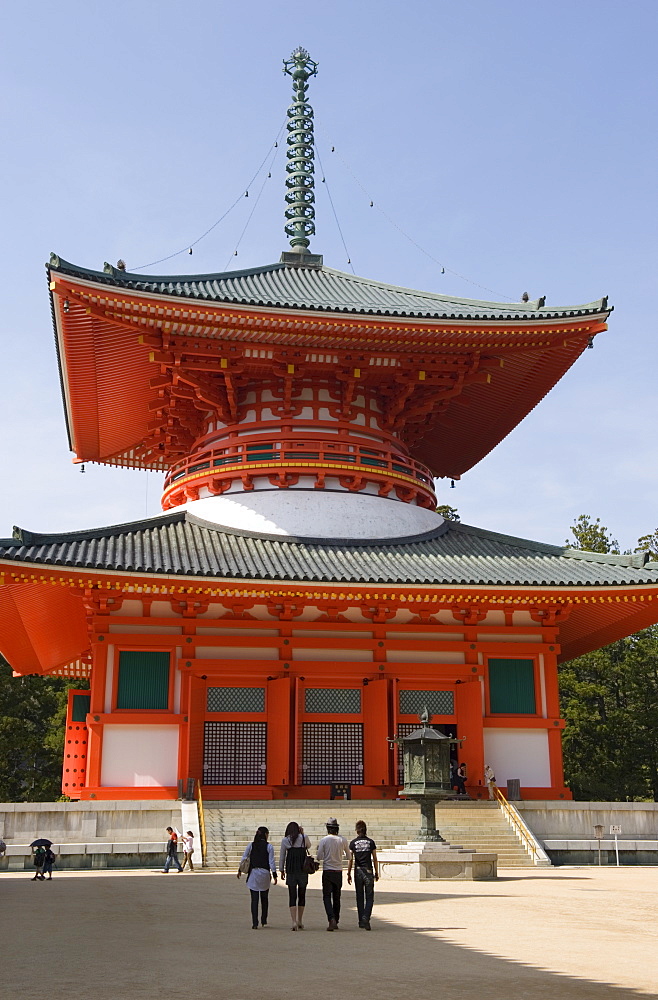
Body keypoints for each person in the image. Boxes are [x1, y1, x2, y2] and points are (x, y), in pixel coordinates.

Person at [237, 826, 277, 929]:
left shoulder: (251, 845)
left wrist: (239, 870)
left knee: (254, 899)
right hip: (264, 874)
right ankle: (264, 920)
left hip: (254, 873)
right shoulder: (269, 847)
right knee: (264, 898)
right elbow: (271, 862)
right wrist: (274, 874)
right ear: (266, 835)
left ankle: (255, 922)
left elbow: (244, 857)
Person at [316, 817, 349, 931]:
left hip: (327, 870)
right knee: (337, 897)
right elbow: (349, 856)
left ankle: (331, 919)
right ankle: (336, 919)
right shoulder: (342, 840)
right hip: (338, 870)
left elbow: (319, 857)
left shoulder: (324, 840)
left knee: (326, 896)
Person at [279, 821, 312, 931]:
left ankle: (293, 921)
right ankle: (300, 920)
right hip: (302, 869)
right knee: (302, 895)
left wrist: (281, 870)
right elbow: (309, 846)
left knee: (292, 895)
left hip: (291, 869)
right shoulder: (303, 837)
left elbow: (282, 856)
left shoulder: (285, 840)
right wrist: (302, 833)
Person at [347, 820, 379, 930]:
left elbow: (350, 859)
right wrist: (376, 872)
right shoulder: (371, 842)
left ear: (357, 831)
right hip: (368, 870)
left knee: (359, 896)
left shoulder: (353, 843)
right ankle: (366, 917)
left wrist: (348, 873)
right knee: (369, 897)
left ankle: (361, 920)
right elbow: (374, 858)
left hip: (358, 870)